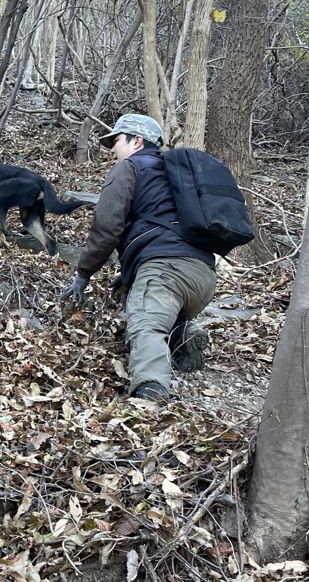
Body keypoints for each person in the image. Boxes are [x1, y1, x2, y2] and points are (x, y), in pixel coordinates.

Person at [62, 113, 217, 402]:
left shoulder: (129, 168)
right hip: (203, 276)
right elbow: (163, 224)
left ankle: (151, 393)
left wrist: (83, 274)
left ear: (137, 141)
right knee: (156, 304)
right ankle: (183, 334)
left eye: (117, 141)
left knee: (146, 325)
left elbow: (107, 226)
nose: (112, 151)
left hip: (165, 270)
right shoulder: (176, 174)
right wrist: (131, 271)